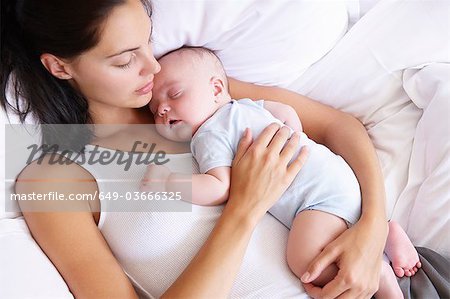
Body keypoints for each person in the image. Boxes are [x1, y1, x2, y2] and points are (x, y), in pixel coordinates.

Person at [0, 0, 392, 297]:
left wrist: (373, 229)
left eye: (148, 42)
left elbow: (339, 126)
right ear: (59, 67)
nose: (152, 68)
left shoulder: (191, 92)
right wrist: (245, 207)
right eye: (124, 61)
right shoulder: (54, 178)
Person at [142, 47, 421, 297]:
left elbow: (219, 187)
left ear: (216, 89)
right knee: (328, 238)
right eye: (155, 110)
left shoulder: (208, 134)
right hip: (334, 171)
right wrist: (297, 140)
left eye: (174, 94)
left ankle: (380, 268)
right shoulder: (247, 106)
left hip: (315, 197)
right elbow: (286, 111)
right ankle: (383, 231)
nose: (163, 109)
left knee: (304, 260)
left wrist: (168, 182)